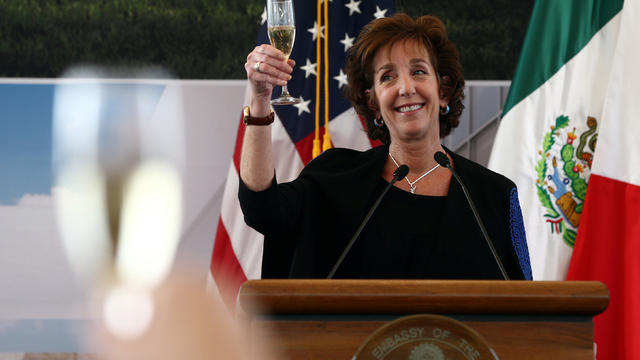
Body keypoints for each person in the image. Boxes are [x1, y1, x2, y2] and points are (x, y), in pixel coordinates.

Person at [239, 13, 532, 280]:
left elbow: (525, 311)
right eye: (387, 77)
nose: (406, 87)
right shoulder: (333, 178)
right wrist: (260, 100)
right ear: (373, 103)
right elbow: (261, 210)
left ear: (443, 92)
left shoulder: (494, 198)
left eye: (418, 71)